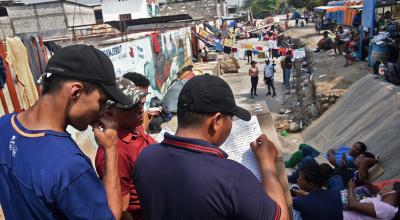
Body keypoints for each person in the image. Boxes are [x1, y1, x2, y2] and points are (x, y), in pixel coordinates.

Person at [0, 45, 131, 219]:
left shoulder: (5, 126)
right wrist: (111, 148)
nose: (103, 111)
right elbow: (111, 215)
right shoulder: (69, 166)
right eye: (102, 101)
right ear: (75, 92)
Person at [133, 75, 289, 220]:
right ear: (217, 121)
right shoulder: (231, 177)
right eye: (232, 119)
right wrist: (267, 165)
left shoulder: (145, 158)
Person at [95, 78, 156, 220]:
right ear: (109, 114)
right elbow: (121, 210)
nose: (140, 110)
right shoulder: (116, 151)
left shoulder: (134, 126)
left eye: (140, 103)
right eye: (130, 107)